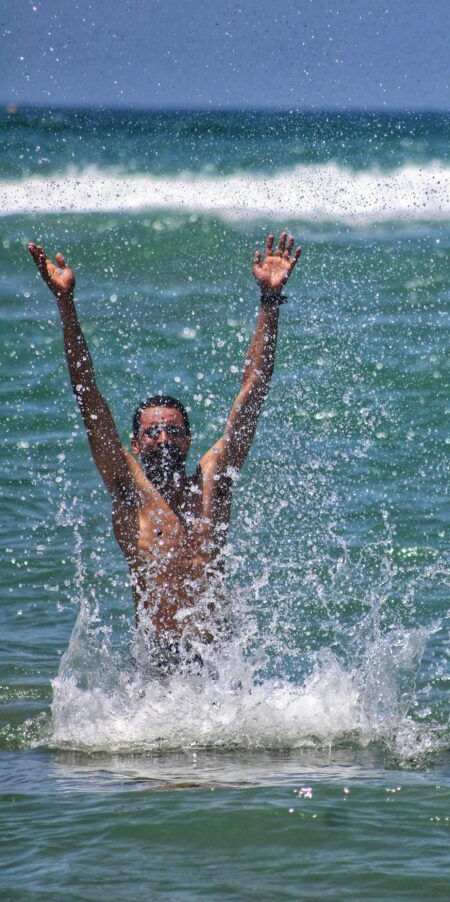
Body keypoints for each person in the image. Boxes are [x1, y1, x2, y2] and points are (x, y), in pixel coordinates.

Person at [29, 233, 301, 669]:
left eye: (173, 432)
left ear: (189, 441)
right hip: (157, 667)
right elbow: (90, 402)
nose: (162, 440)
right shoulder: (128, 490)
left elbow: (253, 392)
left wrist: (270, 301)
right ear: (135, 444)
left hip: (217, 664)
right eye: (152, 434)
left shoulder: (213, 483)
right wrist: (66, 306)